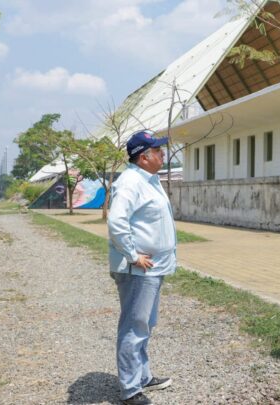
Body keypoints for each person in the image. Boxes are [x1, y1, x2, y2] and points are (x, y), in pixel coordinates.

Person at [108, 129, 175, 405]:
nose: (163, 154)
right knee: (134, 327)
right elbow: (116, 222)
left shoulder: (149, 180)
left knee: (146, 323)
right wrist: (134, 255)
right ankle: (131, 389)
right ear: (144, 157)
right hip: (139, 268)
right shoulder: (130, 182)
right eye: (158, 151)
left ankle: (143, 375)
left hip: (154, 267)